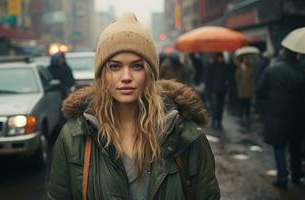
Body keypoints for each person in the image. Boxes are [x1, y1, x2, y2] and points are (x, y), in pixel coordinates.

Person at [47, 12, 220, 200]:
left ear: (150, 73)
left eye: (137, 66)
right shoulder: (73, 137)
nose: (126, 76)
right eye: (115, 66)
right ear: (102, 74)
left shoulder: (186, 136)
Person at [257, 30, 305, 188]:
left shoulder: (272, 69)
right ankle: (297, 175)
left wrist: (269, 101)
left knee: (279, 146)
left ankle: (282, 177)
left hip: (277, 114)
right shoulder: (301, 71)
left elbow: (260, 90)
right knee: (296, 147)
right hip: (298, 115)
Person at [205, 53, 229, 129]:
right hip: (214, 90)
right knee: (215, 106)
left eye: (222, 58)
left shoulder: (225, 66)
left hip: (223, 90)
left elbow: (228, 77)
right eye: (219, 58)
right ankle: (214, 120)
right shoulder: (212, 66)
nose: (221, 59)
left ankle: (219, 121)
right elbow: (208, 78)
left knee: (221, 106)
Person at [235, 54, 255, 128]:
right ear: (243, 59)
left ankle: (247, 116)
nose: (246, 60)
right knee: (242, 103)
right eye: (245, 58)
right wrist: (241, 69)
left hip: (249, 89)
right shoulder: (240, 67)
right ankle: (241, 115)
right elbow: (237, 77)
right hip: (242, 89)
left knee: (248, 104)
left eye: (247, 58)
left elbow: (253, 76)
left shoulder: (251, 67)